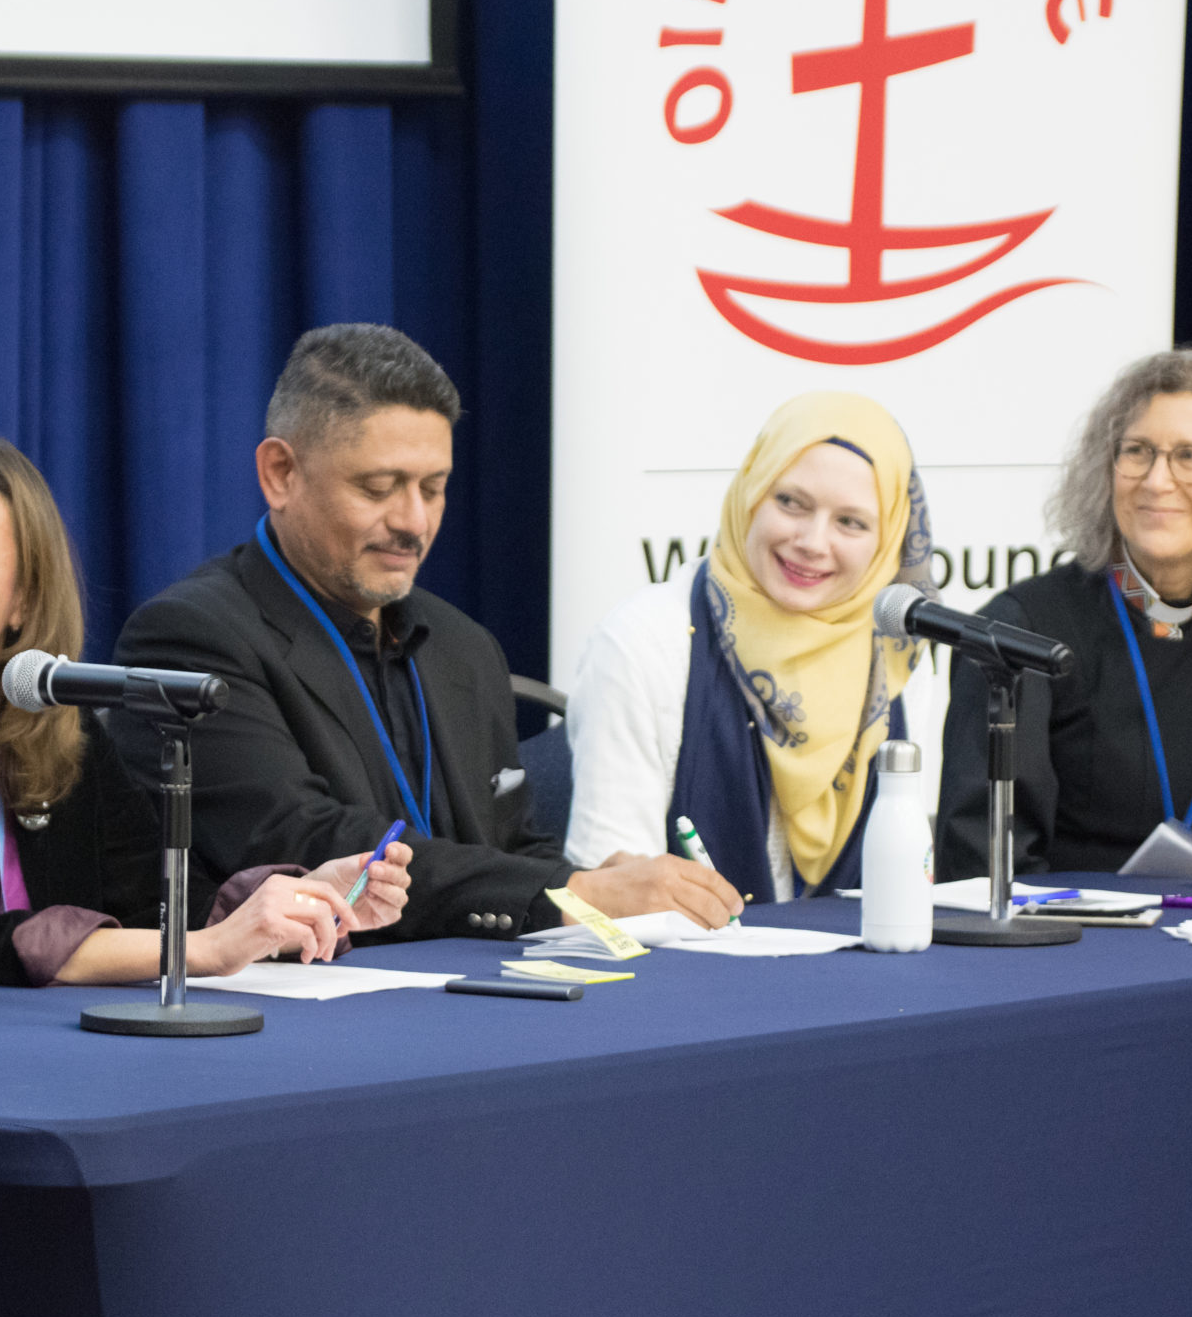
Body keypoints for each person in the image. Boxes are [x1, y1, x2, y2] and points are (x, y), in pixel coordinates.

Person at [109, 323, 741, 941]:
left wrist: (590, 880)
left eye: (433, 489)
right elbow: (307, 843)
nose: (413, 521)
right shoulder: (188, 638)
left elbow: (512, 846)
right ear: (281, 473)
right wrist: (567, 892)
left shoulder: (462, 646)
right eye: (379, 487)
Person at [0, 433, 411, 1002]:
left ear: (21, 597)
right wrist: (202, 951)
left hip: (40, 1054)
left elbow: (155, 904)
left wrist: (295, 903)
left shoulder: (57, 724)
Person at [937, 342, 1192, 879]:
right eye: (1137, 451)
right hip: (1065, 949)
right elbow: (983, 869)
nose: (1156, 480)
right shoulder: (1020, 632)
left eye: (1190, 456)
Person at [564, 392, 946, 902]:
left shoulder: (897, 662)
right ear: (750, 492)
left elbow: (907, 877)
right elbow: (608, 882)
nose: (813, 541)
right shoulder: (644, 641)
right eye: (791, 502)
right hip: (684, 972)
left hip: (859, 975)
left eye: (850, 522)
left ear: (888, 539)